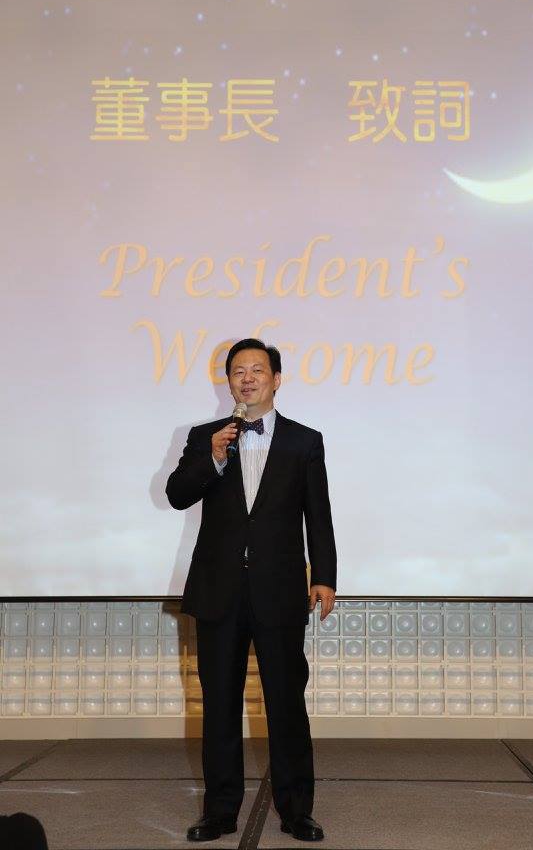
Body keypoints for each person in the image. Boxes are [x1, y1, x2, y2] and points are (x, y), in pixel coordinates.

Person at [166, 338, 337, 842]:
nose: (247, 378)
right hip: (218, 589)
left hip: (279, 590)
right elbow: (177, 495)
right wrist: (213, 457)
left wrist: (324, 575)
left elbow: (318, 514)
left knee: (286, 703)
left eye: (257, 370)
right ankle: (219, 812)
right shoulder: (205, 437)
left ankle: (297, 810)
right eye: (238, 371)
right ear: (229, 382)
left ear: (276, 379)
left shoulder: (305, 441)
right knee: (219, 704)